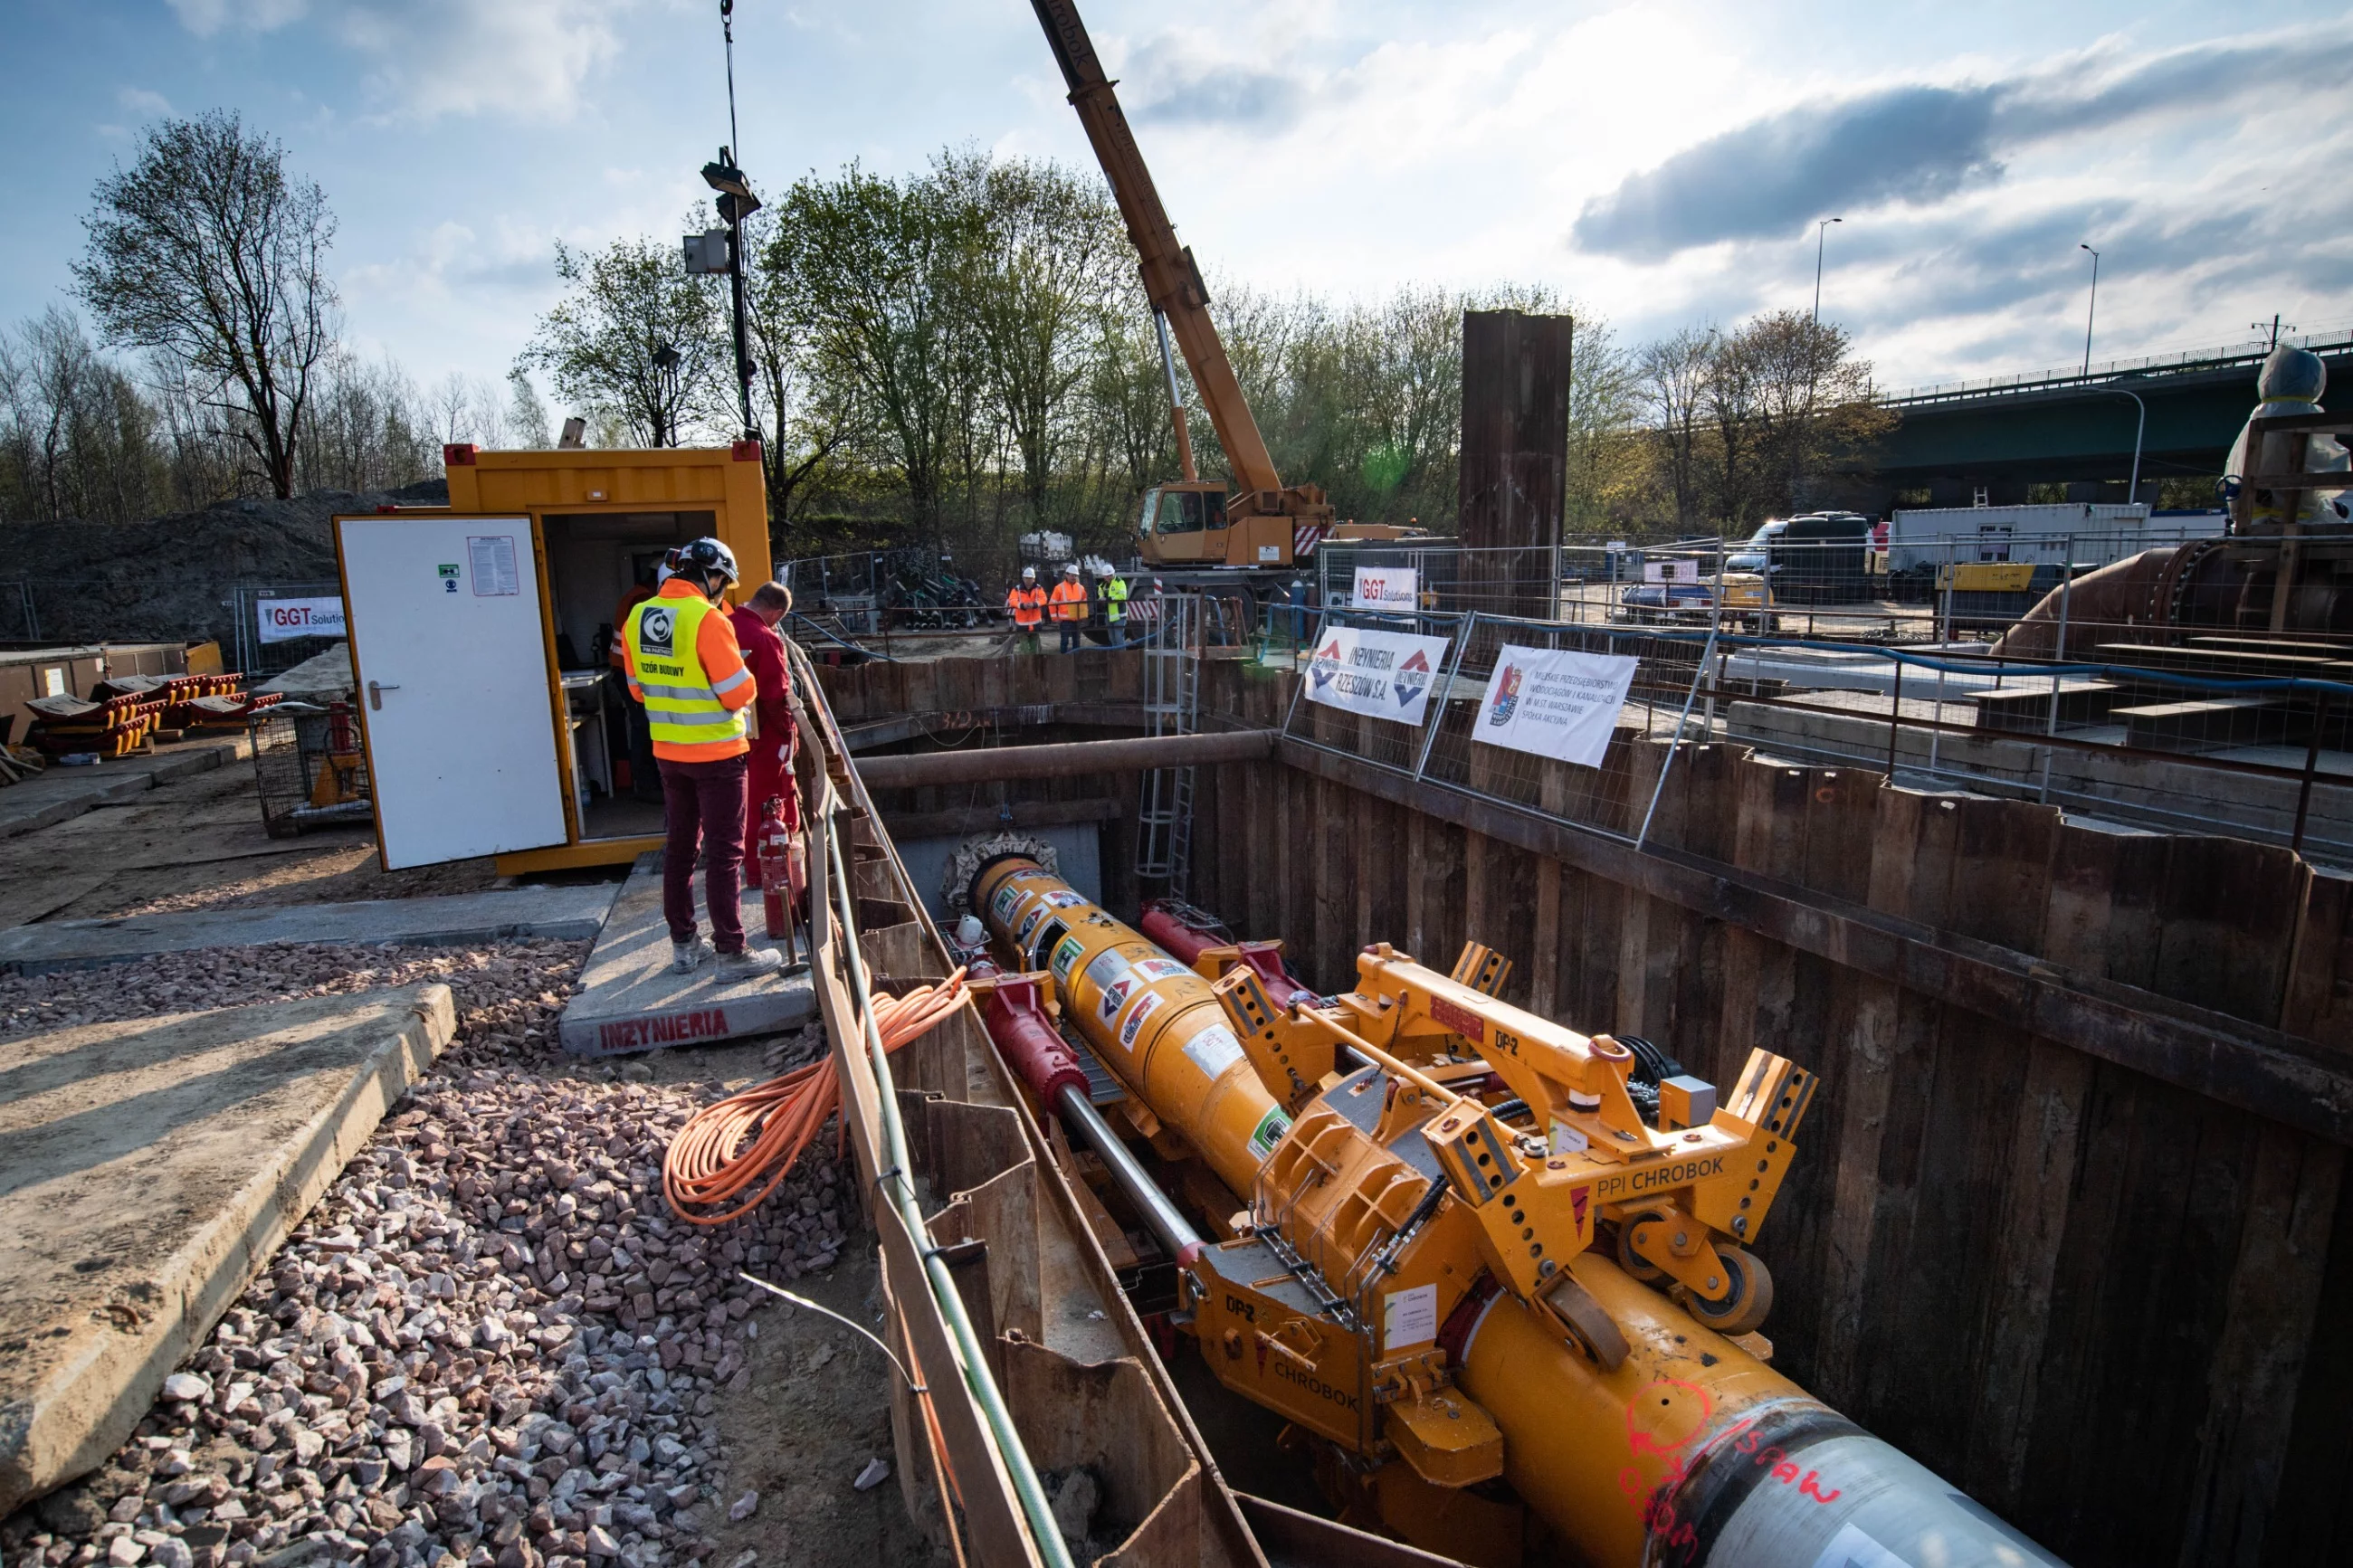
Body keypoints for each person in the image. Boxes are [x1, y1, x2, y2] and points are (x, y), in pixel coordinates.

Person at [623, 536, 784, 980]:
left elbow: (637, 690)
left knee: (680, 847)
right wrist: (746, 676)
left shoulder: (640, 616)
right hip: (717, 755)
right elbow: (738, 692)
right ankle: (732, 952)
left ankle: (684, 945)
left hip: (669, 754)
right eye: (723, 583)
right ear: (711, 576)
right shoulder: (708, 620)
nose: (723, 591)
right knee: (725, 852)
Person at [727, 580, 797, 873]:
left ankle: (745, 855)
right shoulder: (766, 639)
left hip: (727, 729)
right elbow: (775, 695)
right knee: (767, 794)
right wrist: (789, 733)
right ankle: (762, 867)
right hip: (763, 733)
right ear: (776, 612)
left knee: (738, 796)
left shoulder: (723, 626)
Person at [608, 560, 664, 802]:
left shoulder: (635, 595)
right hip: (630, 671)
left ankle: (646, 784)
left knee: (642, 725)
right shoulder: (642, 600)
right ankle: (646, 787)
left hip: (625, 669)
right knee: (643, 726)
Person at [1005, 565, 1046, 655]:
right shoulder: (1017, 589)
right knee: (1024, 650)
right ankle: (1025, 666)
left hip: (1035, 624)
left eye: (1030, 578)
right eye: (1026, 578)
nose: (1028, 580)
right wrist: (1022, 605)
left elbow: (1044, 599)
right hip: (1022, 625)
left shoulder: (1039, 588)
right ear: (1023, 578)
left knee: (1034, 649)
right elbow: (1012, 601)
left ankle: (1033, 665)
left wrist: (1034, 604)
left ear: (1034, 579)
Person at [1049, 562, 1089, 652]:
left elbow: (1084, 602)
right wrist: (1055, 618)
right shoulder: (1059, 588)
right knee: (1064, 641)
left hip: (1077, 620)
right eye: (1072, 575)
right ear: (1066, 575)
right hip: (1064, 621)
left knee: (1077, 642)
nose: (1073, 577)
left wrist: (1083, 616)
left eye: (1075, 575)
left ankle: (1076, 659)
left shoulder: (1081, 588)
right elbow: (1052, 604)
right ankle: (1064, 660)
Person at [1099, 562, 1130, 649]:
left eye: (1110, 575)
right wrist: (1101, 598)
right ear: (1104, 576)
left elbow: (1122, 596)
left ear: (1113, 574)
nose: (1109, 577)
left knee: (1119, 638)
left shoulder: (1120, 582)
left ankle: (1121, 658)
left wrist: (1109, 599)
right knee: (1112, 639)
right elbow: (1100, 592)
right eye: (1107, 576)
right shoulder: (1103, 585)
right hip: (1109, 616)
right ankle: (1116, 657)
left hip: (1119, 615)